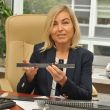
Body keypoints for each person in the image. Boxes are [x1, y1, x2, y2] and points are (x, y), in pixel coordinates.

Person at [17, 4, 93, 100]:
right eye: (54, 24)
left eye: (65, 23)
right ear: (49, 30)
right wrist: (29, 77)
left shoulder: (85, 56)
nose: (60, 29)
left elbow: (86, 96)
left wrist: (64, 82)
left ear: (74, 26)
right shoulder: (39, 51)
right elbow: (21, 92)